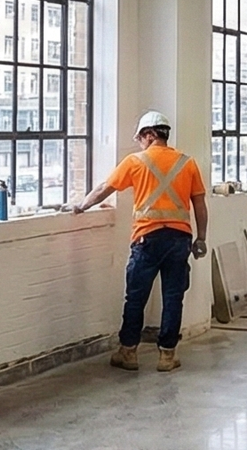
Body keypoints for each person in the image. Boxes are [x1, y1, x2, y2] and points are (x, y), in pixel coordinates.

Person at [71, 110, 210, 372]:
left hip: (147, 239)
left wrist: (82, 205)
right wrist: (201, 238)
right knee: (173, 298)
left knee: (135, 297)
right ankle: (167, 356)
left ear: (149, 134)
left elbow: (104, 189)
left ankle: (129, 352)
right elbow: (199, 204)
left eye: (140, 138)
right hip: (179, 240)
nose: (139, 143)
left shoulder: (136, 162)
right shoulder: (187, 163)